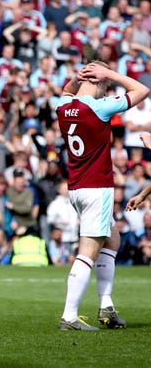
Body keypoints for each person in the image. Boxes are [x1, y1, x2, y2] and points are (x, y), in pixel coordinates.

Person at [55, 61, 150, 330]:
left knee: (112, 239)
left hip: (76, 187)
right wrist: (109, 73)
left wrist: (77, 79)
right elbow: (142, 90)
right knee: (88, 251)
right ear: (99, 82)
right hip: (97, 187)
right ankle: (69, 316)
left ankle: (106, 307)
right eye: (105, 86)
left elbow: (67, 90)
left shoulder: (63, 106)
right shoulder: (100, 107)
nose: (106, 91)